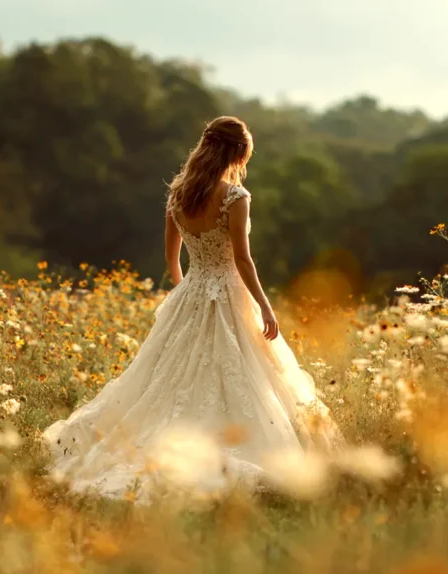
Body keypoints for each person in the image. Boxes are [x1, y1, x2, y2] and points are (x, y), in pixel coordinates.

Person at [42, 116, 342, 500]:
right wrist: (266, 307)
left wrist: (191, 293)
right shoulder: (236, 198)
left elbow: (171, 259)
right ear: (234, 153)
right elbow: (243, 261)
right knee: (241, 371)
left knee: (170, 378)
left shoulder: (177, 195)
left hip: (191, 292)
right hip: (230, 293)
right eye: (243, 156)